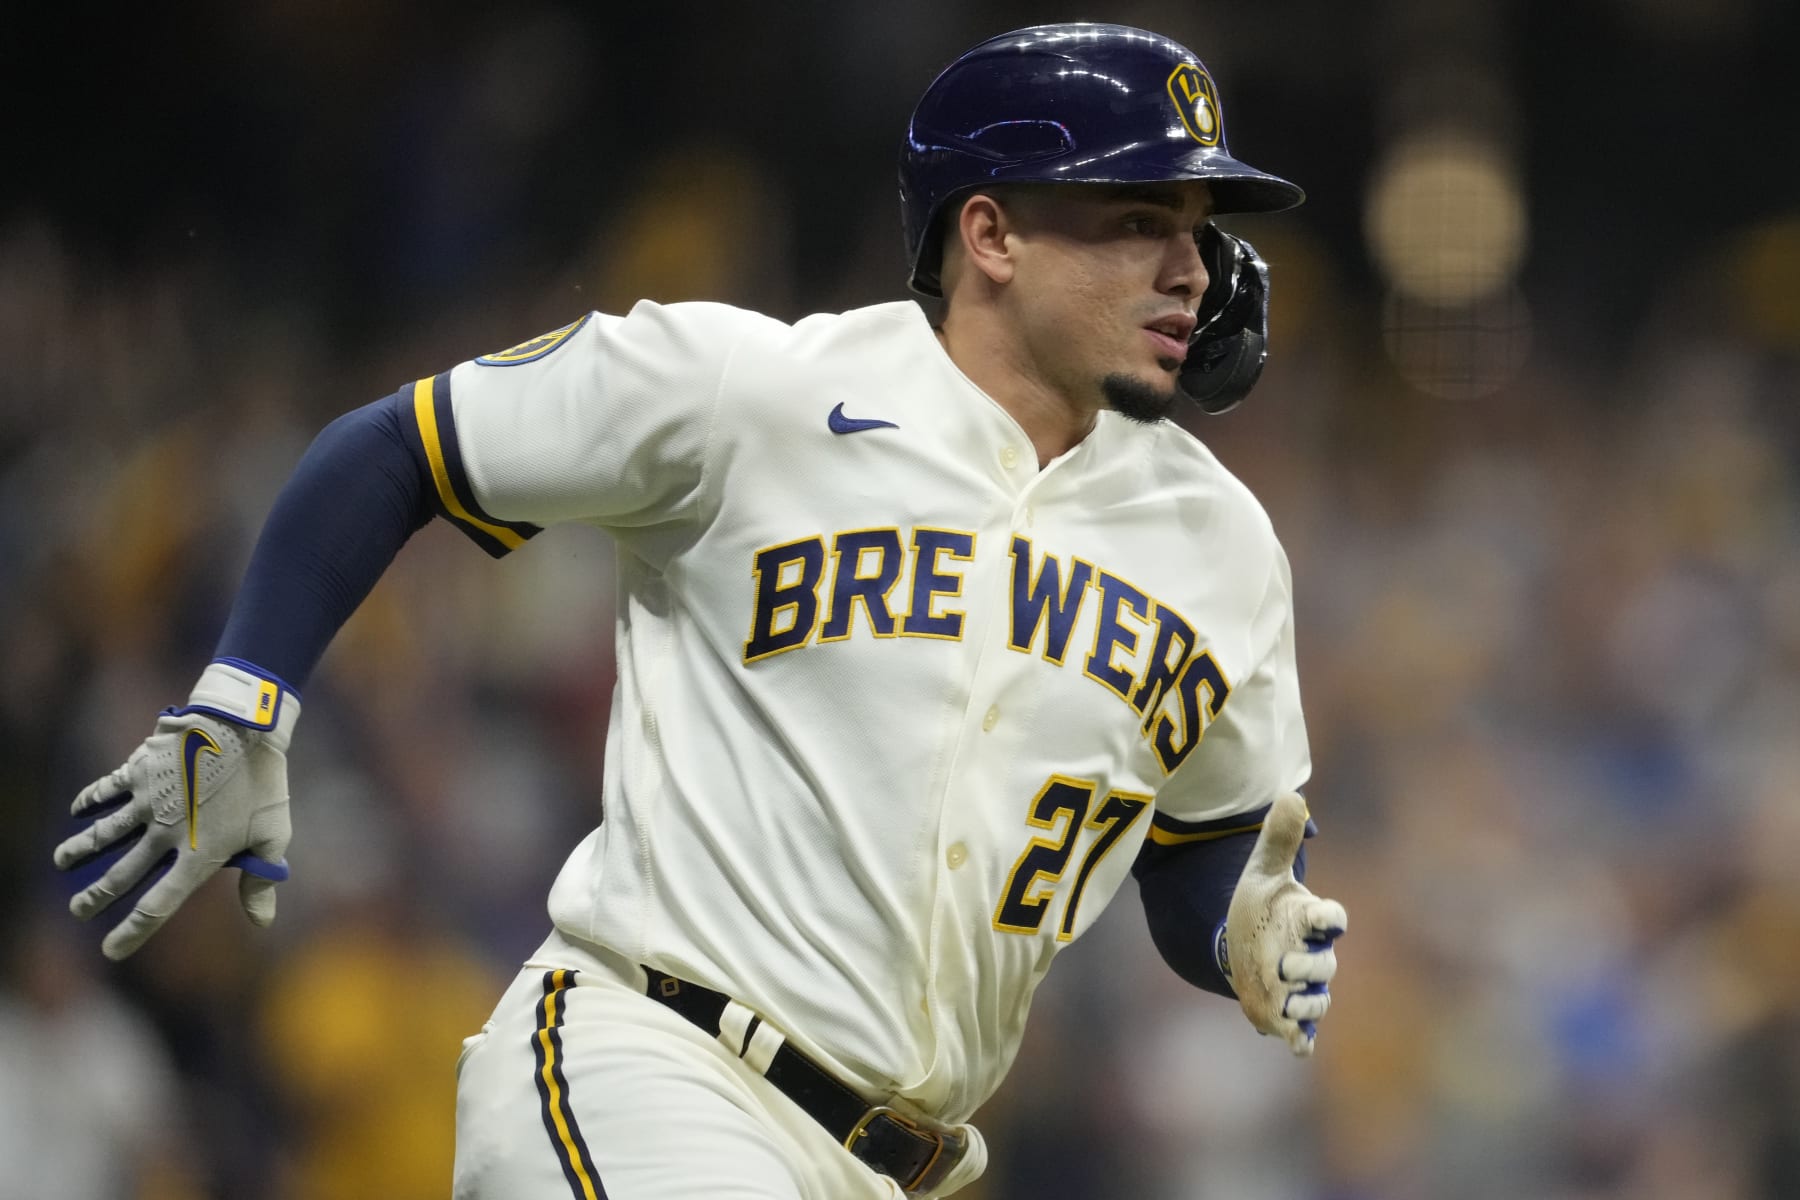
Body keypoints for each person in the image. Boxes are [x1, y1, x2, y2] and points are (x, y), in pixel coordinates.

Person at [53, 22, 1348, 1200]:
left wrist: (1242, 924)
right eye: (1137, 219)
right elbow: (403, 446)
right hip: (656, 1067)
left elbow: (1201, 852)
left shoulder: (1218, 543)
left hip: (900, 1167)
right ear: (990, 235)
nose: (1194, 267)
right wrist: (243, 691)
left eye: (1198, 226)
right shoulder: (750, 389)